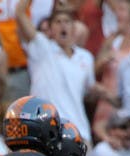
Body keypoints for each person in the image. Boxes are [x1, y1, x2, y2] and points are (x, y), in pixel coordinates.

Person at [15, 0, 95, 142]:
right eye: (58, 22)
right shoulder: (43, 48)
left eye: (67, 21)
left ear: (73, 28)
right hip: (47, 130)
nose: (63, 25)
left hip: (78, 131)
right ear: (50, 29)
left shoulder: (86, 57)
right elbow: (20, 13)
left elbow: (89, 90)